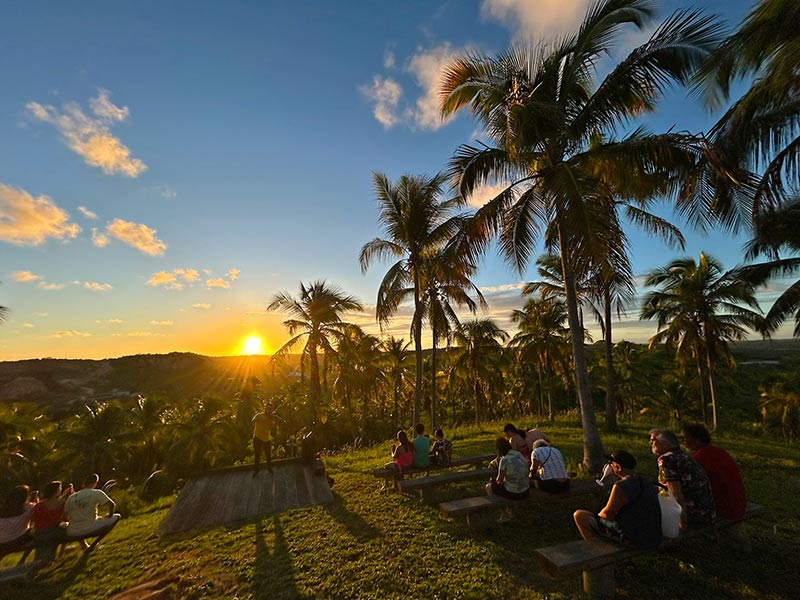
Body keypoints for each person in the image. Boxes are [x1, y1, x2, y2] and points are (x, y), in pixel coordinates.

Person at [574, 450, 663, 549]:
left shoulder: (621, 486)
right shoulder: (644, 480)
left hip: (634, 539)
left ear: (618, 467)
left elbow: (607, 515)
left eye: (611, 464)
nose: (609, 466)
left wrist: (597, 516)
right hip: (651, 535)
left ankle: (598, 551)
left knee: (580, 516)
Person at [649, 429, 714, 530]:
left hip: (692, 513)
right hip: (705, 510)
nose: (651, 443)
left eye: (653, 440)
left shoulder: (666, 460)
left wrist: (681, 526)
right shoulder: (682, 455)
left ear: (666, 444)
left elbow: (675, 495)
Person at [681, 423, 746, 520]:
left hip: (723, 508)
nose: (683, 441)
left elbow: (688, 484)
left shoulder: (702, 457)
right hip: (738, 503)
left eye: (686, 438)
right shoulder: (718, 451)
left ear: (696, 439)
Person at [64, 474, 121, 552]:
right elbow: (112, 504)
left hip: (72, 532)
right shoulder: (96, 493)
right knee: (117, 516)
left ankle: (84, 545)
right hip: (89, 528)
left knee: (80, 520)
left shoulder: (71, 497)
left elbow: (65, 516)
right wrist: (109, 515)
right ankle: (93, 545)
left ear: (84, 483)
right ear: (95, 483)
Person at [486, 437, 530, 522]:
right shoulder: (519, 454)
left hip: (515, 493)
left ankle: (504, 513)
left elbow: (499, 481)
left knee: (489, 486)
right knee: (510, 484)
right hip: (526, 491)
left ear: (499, 450)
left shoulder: (504, 460)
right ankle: (509, 509)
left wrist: (492, 481)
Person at [30, 481, 72, 563]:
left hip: (39, 533)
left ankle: (43, 560)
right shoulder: (61, 503)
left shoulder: (39, 505)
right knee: (64, 530)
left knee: (42, 551)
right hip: (54, 532)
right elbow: (66, 518)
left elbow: (34, 519)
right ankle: (58, 555)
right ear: (57, 491)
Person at [0, 485, 34, 564]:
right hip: (18, 540)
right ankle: (23, 559)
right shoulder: (28, 508)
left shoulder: (3, 510)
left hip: (2, 542)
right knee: (34, 533)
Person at [252, 404, 283, 474]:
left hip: (266, 439)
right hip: (257, 438)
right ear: (265, 409)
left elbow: (273, 430)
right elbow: (253, 420)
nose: (269, 410)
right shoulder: (259, 415)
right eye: (268, 408)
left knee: (268, 455)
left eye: (270, 409)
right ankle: (256, 470)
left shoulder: (271, 419)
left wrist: (276, 421)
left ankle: (269, 468)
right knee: (257, 455)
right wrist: (262, 419)